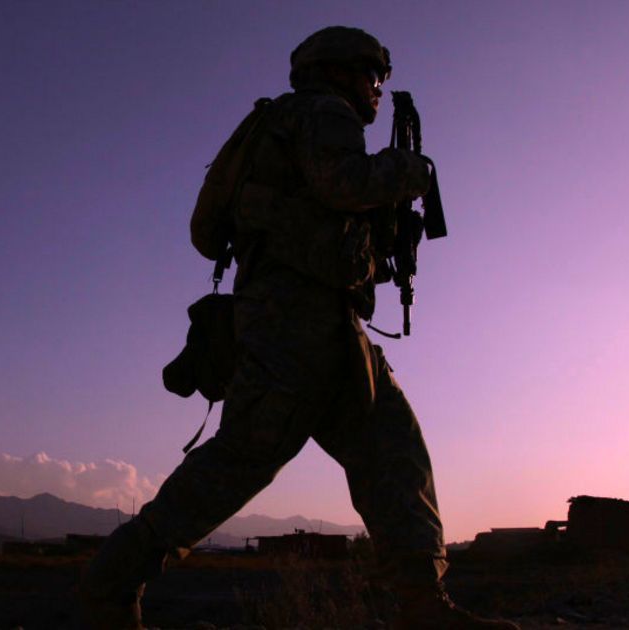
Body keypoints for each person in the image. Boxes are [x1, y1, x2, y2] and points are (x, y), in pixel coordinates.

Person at [79, 26, 518, 630]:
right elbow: (343, 183)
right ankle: (111, 583)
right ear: (337, 71)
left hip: (327, 325)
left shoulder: (288, 125)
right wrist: (408, 170)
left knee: (393, 449)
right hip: (292, 326)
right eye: (371, 75)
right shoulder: (324, 112)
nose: (377, 90)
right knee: (245, 459)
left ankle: (423, 604)